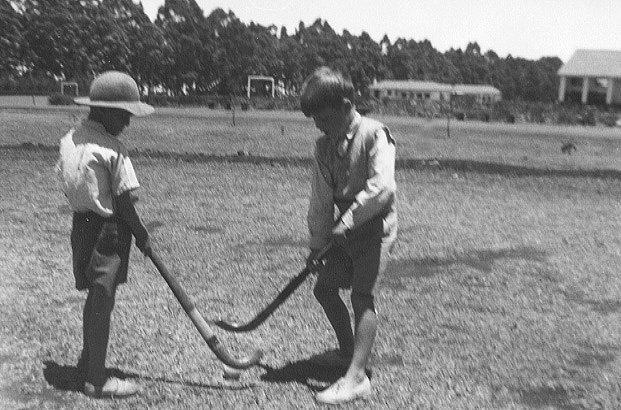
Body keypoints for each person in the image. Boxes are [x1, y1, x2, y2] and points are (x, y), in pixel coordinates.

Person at [301, 66, 398, 405]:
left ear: (346, 106)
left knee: (361, 297)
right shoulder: (323, 147)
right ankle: (346, 352)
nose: (318, 125)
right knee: (325, 289)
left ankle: (356, 376)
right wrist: (318, 243)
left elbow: (382, 188)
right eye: (314, 119)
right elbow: (320, 200)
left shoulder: (375, 134)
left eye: (324, 117)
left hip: (373, 228)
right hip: (342, 231)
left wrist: (349, 222)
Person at [56, 71, 154, 398]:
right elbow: (124, 201)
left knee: (95, 297)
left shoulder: (69, 139)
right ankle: (97, 380)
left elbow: (67, 181)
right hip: (107, 231)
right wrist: (141, 234)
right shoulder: (113, 148)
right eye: (125, 115)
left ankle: (89, 358)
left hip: (80, 227)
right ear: (107, 111)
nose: (127, 123)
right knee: (103, 300)